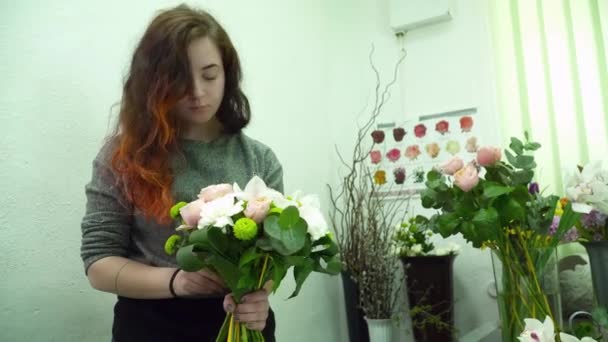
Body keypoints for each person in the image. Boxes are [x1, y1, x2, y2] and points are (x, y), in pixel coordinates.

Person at [80, 4, 282, 341]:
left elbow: (273, 257)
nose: (198, 92)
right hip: (153, 325)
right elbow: (99, 264)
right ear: (153, 81)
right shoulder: (122, 158)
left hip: (243, 325)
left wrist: (260, 297)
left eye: (209, 74)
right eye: (178, 78)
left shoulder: (259, 158)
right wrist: (177, 281)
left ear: (227, 73)